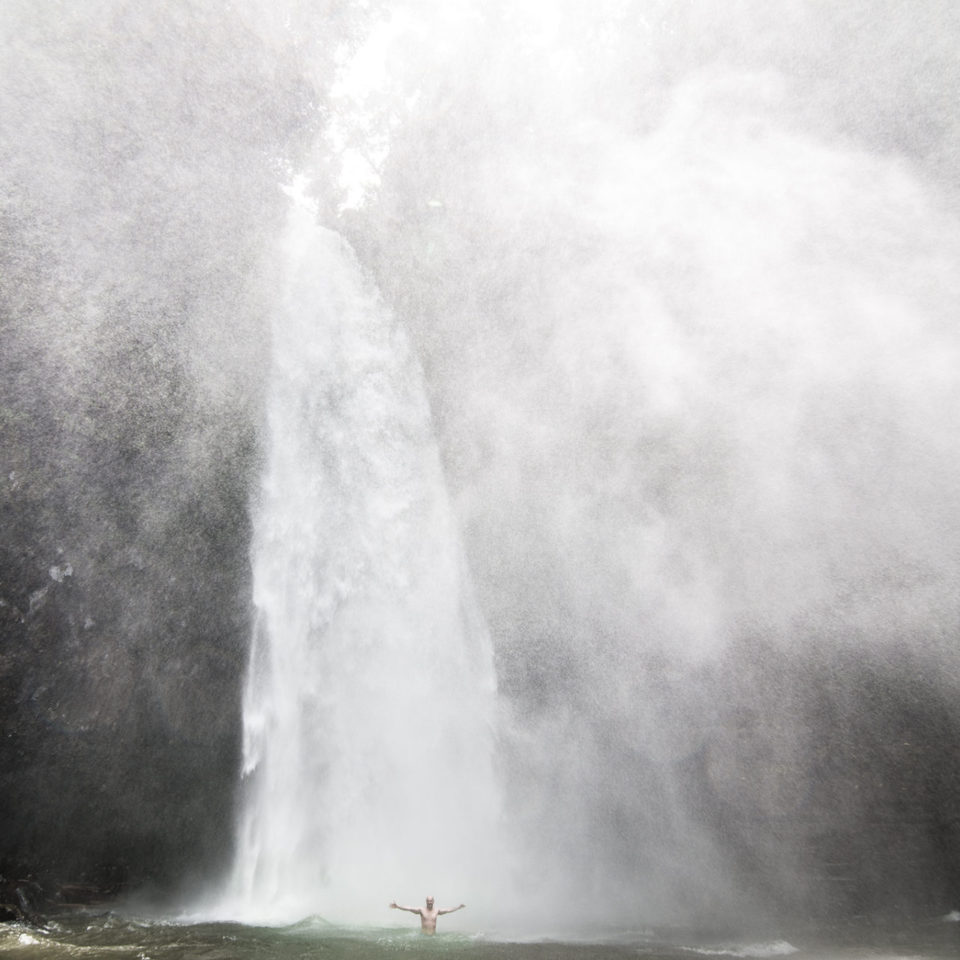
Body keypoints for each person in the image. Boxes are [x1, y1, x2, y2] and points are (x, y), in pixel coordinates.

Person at [389, 895, 465, 934]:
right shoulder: (421, 910)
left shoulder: (437, 911)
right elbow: (409, 908)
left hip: (433, 936)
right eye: (428, 901)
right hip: (423, 936)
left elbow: (448, 910)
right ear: (426, 901)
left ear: (433, 901)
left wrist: (458, 907)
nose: (429, 902)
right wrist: (398, 906)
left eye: (431, 901)